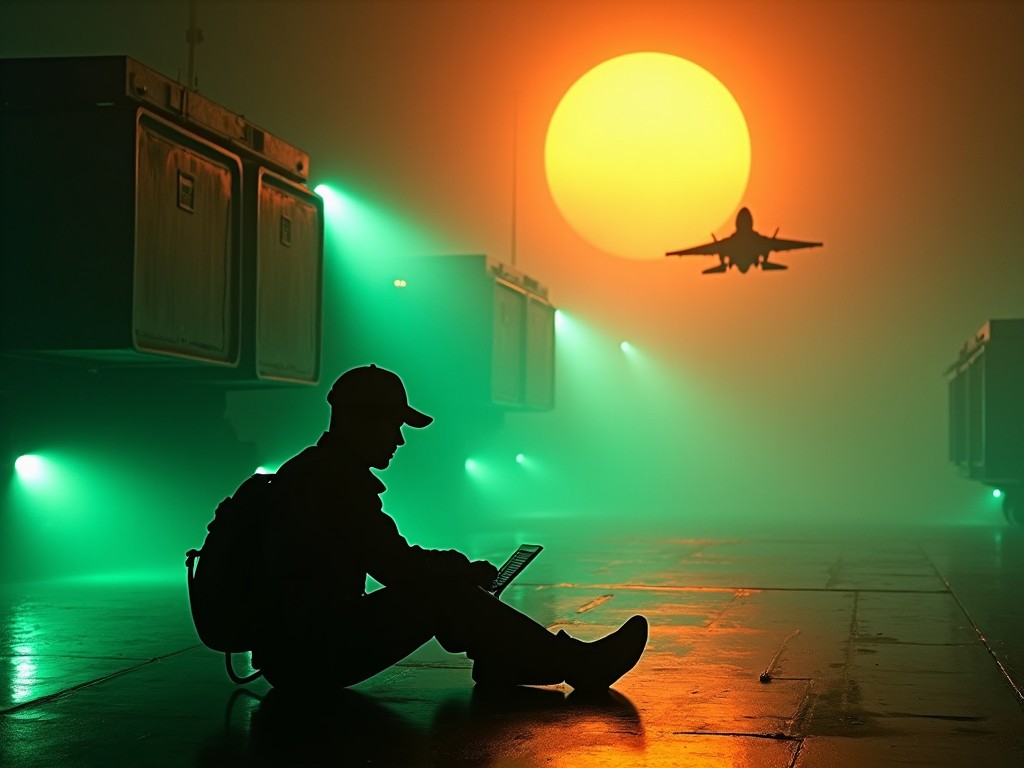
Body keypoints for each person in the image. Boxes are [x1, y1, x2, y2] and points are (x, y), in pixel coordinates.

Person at [252, 364, 648, 692]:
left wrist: (452, 570)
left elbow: (386, 557)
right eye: (393, 425)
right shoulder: (334, 481)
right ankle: (578, 665)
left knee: (444, 587)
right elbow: (394, 565)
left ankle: (505, 663)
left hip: (294, 652)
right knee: (443, 593)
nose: (399, 440)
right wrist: (460, 570)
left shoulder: (313, 471)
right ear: (363, 422)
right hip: (310, 658)